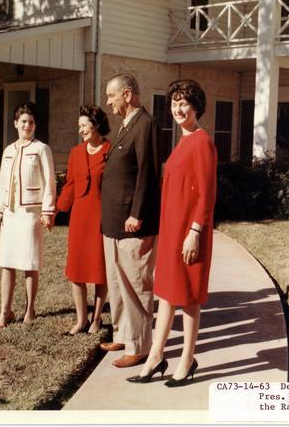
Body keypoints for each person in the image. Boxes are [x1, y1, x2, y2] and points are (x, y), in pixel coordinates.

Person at [127, 79, 217, 387]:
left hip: (189, 233)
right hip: (171, 232)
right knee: (166, 294)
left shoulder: (202, 142)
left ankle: (187, 359)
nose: (178, 110)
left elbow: (207, 194)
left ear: (196, 107)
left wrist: (195, 231)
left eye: (184, 104)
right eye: (174, 104)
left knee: (188, 297)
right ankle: (155, 357)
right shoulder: (182, 141)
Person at [100, 73, 162, 368]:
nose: (108, 101)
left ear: (126, 94)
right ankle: (123, 335)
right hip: (115, 223)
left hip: (133, 223)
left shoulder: (146, 124)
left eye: (111, 95)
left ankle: (139, 346)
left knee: (136, 286)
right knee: (117, 285)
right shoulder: (126, 124)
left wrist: (137, 213)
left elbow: (148, 174)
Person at [0, 102, 56, 327]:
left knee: (30, 263)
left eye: (30, 122)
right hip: (11, 214)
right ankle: (5, 311)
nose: (27, 126)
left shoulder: (41, 149)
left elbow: (50, 182)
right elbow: (2, 184)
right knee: (7, 262)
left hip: (31, 214)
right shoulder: (8, 151)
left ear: (35, 125)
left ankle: (30, 310)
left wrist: (47, 211)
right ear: (15, 124)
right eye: (23, 122)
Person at [56, 106, 111, 335]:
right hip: (79, 217)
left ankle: (96, 318)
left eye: (83, 125)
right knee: (76, 269)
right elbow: (70, 185)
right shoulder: (76, 152)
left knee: (100, 270)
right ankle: (81, 320)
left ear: (96, 125)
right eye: (79, 126)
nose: (80, 130)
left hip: (102, 217)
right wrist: (56, 210)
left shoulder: (111, 151)